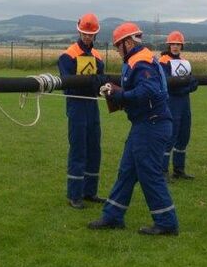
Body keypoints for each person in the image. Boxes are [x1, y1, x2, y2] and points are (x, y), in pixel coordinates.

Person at [88, 22, 179, 236]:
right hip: (146, 124)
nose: (117, 50)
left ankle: (166, 222)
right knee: (127, 171)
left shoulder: (141, 62)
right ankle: (113, 216)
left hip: (151, 125)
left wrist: (119, 96)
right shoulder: (138, 59)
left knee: (149, 174)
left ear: (128, 42)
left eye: (118, 46)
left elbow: (148, 91)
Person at [58, 13, 105, 209]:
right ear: (79, 32)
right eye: (85, 33)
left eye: (91, 34)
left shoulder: (98, 56)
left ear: (95, 35)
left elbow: (101, 80)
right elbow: (67, 82)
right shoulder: (68, 55)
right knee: (78, 148)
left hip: (92, 104)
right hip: (77, 105)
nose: (87, 37)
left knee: (94, 148)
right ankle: (74, 194)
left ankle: (90, 192)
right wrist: (90, 84)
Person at [159, 31, 198, 180]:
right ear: (169, 45)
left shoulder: (185, 62)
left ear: (181, 45)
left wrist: (186, 87)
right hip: (171, 102)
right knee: (170, 136)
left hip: (185, 103)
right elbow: (167, 84)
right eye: (173, 44)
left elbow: (193, 82)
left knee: (184, 135)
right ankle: (162, 171)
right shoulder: (163, 61)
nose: (175, 47)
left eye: (178, 44)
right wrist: (185, 86)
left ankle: (179, 170)